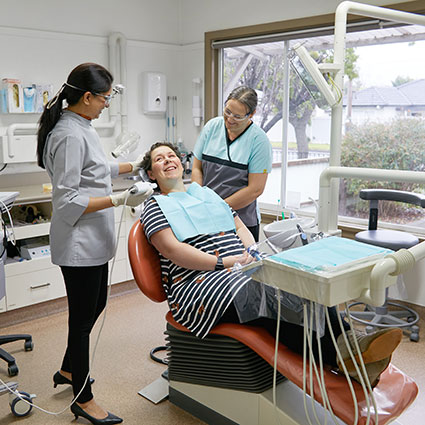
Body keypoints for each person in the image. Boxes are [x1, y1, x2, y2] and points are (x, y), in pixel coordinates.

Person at [141, 141, 403, 387]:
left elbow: (238, 224)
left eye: (171, 155)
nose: (167, 160)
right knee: (270, 294)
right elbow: (172, 250)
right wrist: (223, 262)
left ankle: (351, 346)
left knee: (300, 279)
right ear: (152, 174)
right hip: (199, 284)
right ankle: (346, 355)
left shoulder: (207, 195)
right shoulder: (154, 206)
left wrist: (250, 252)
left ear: (181, 162)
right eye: (159, 159)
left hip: (239, 269)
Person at [37, 62, 152, 425]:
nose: (107, 104)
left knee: (96, 304)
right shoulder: (70, 134)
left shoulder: (80, 126)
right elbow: (68, 200)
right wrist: (121, 200)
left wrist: (136, 164)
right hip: (78, 243)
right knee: (82, 321)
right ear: (87, 97)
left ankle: (70, 370)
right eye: (104, 98)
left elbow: (97, 167)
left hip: (92, 239)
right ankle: (82, 399)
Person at [192, 86, 272, 242]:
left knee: (240, 265)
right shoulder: (212, 127)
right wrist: (199, 199)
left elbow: (255, 189)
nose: (229, 119)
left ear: (252, 114)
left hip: (241, 222)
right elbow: (196, 168)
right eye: (227, 111)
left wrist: (217, 208)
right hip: (206, 217)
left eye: (237, 116)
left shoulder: (259, 141)